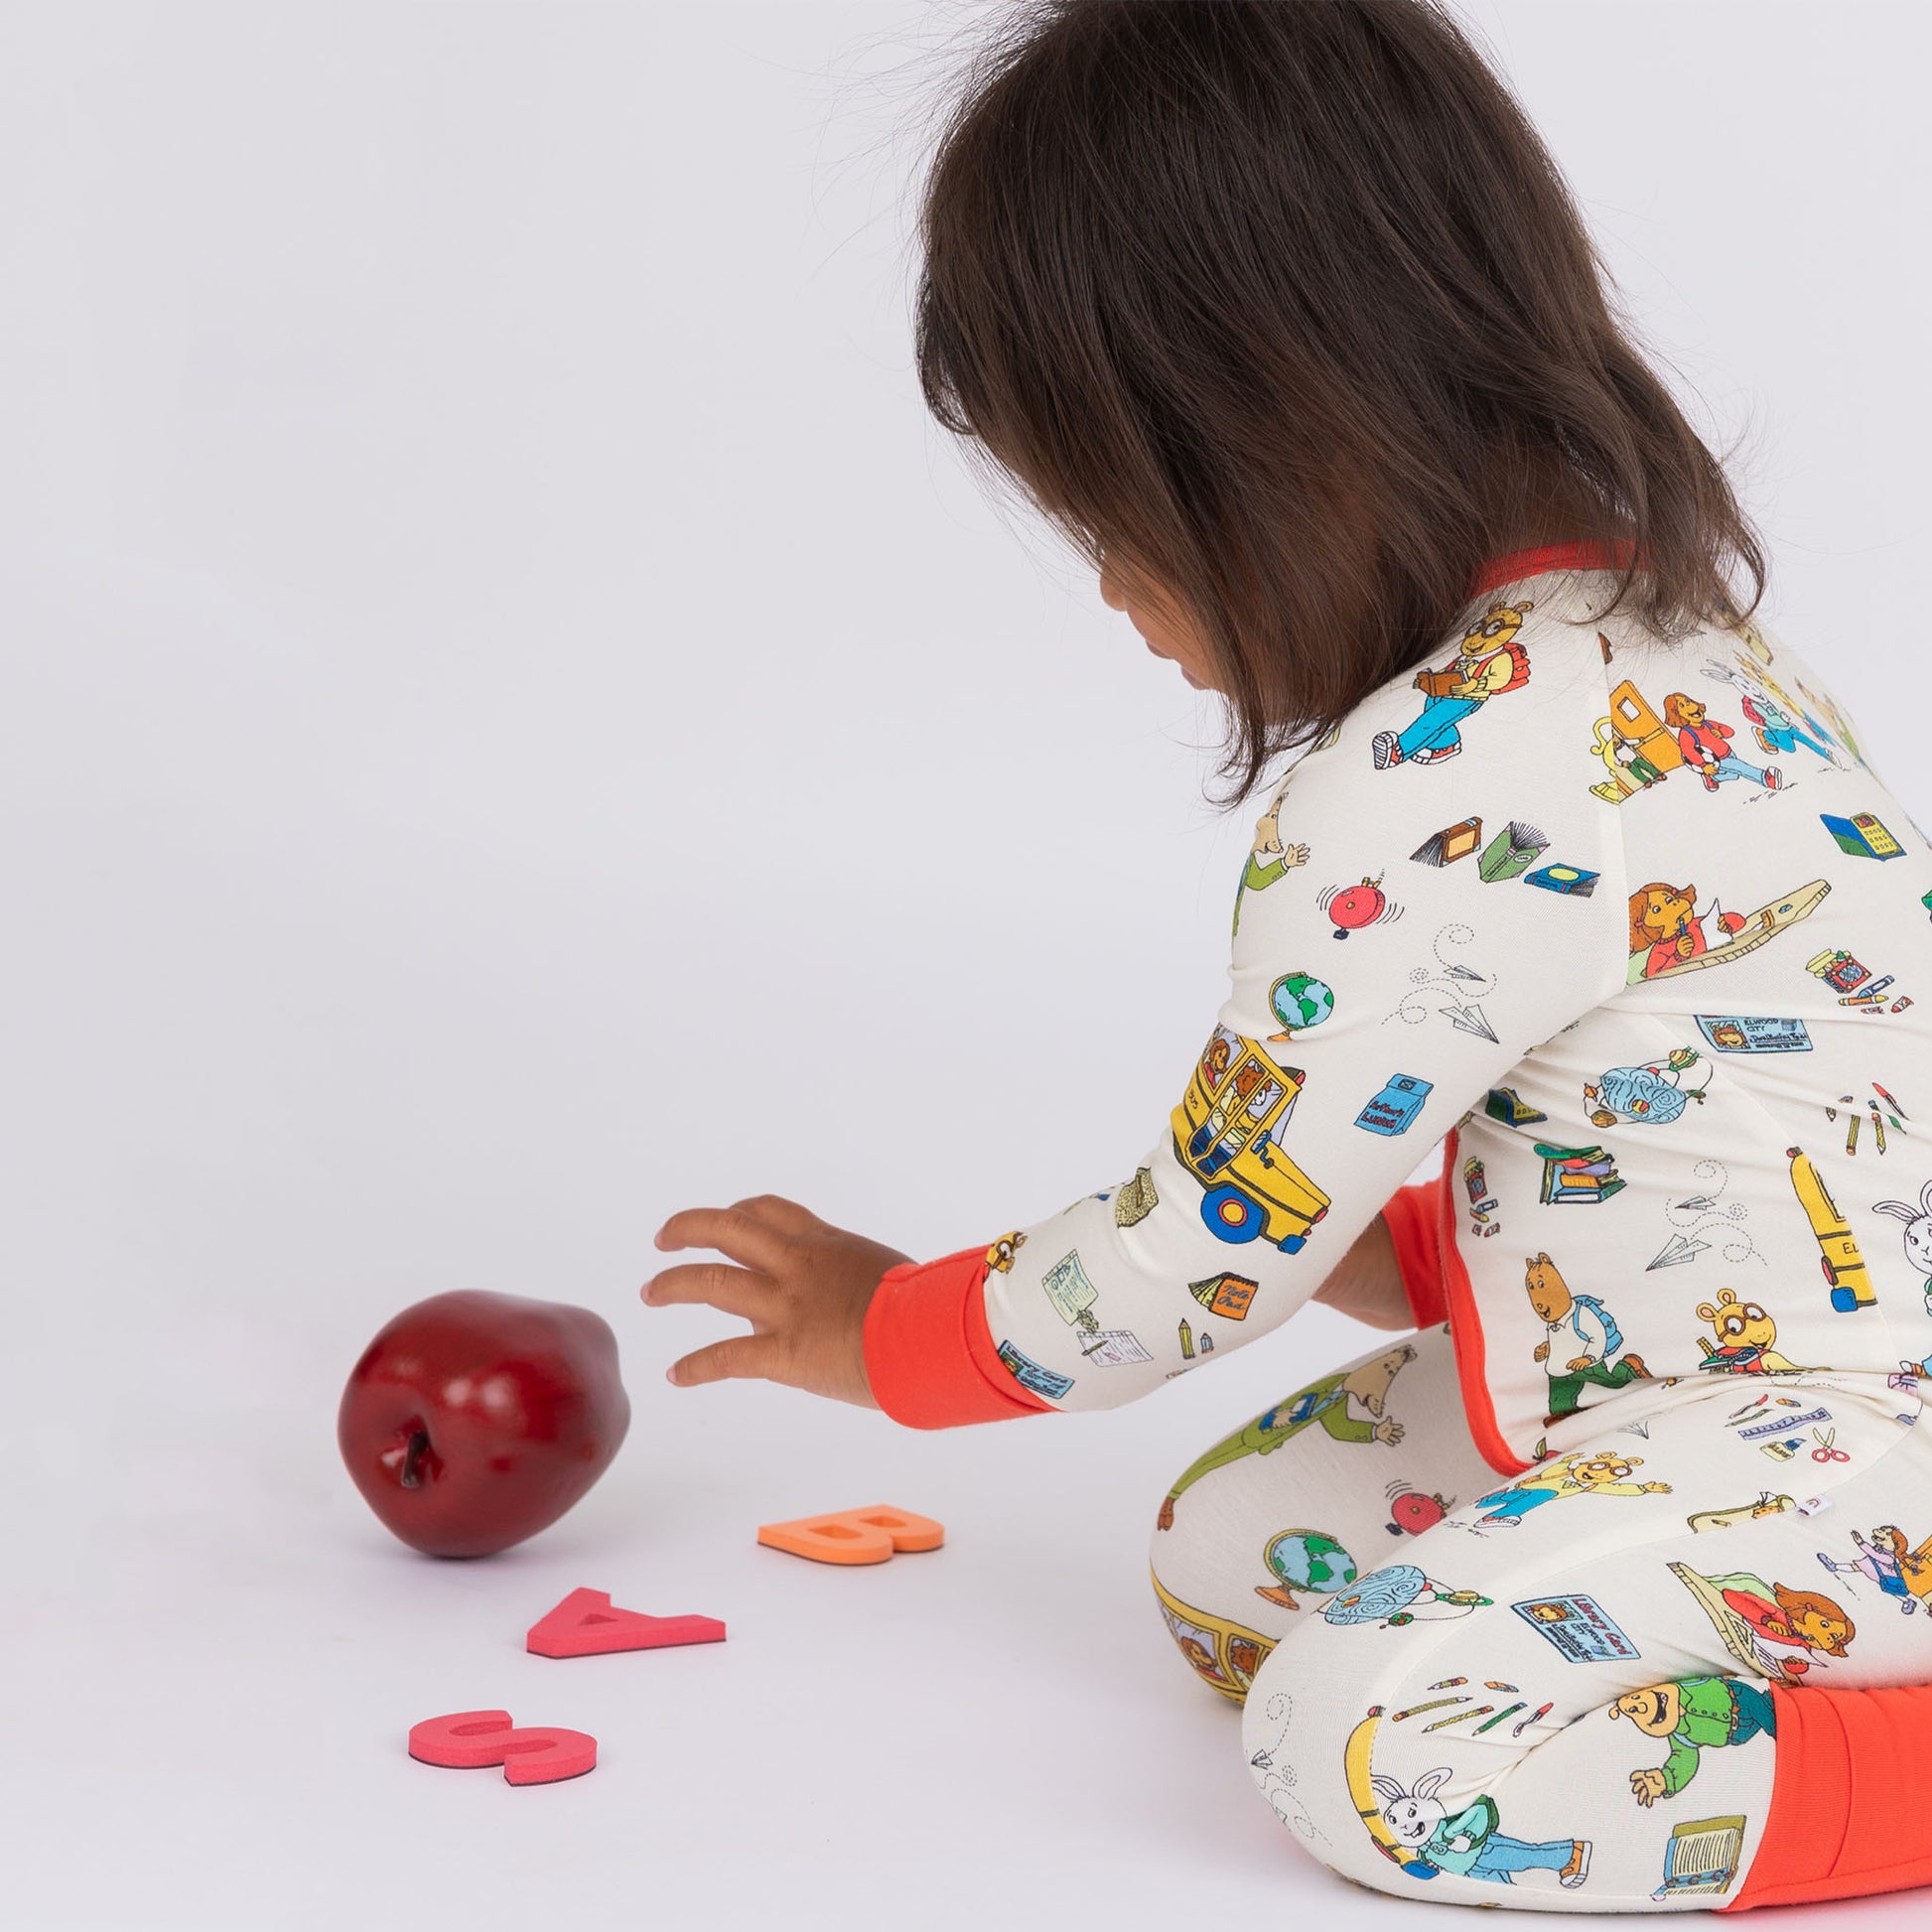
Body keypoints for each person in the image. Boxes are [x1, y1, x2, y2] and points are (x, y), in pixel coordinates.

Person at [643, 1, 1932, 1912]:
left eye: (1112, 524)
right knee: (1231, 1551)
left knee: (1370, 1743)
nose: (1107, 591)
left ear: (1267, 443)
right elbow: (1713, 1136)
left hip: (1841, 1439)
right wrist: (1401, 1246)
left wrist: (883, 1325)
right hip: (1713, 1374)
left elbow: (1192, 1266)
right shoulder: (1678, 654)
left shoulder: (1431, 781)